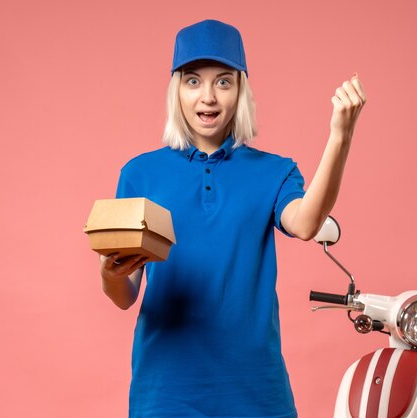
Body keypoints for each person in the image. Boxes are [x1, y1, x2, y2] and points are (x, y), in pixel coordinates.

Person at [99, 19, 366, 418]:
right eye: (193, 81)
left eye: (223, 81)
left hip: (256, 389)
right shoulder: (139, 174)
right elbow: (124, 295)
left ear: (240, 89)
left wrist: (340, 137)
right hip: (167, 392)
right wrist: (110, 273)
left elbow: (307, 222)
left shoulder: (274, 171)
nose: (208, 96)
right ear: (177, 89)